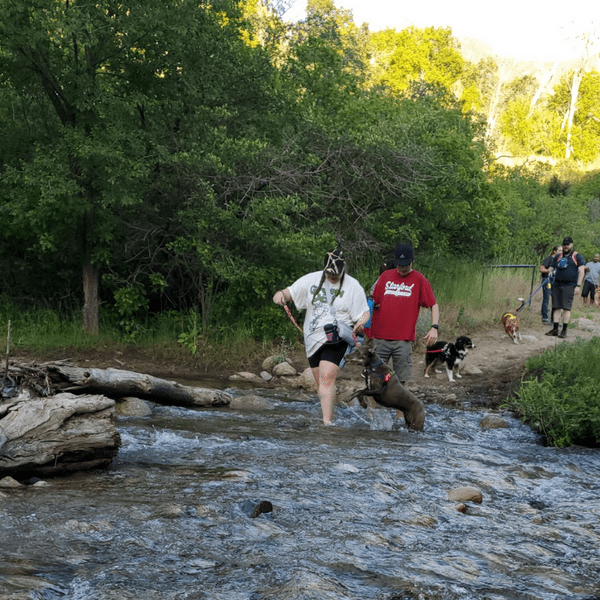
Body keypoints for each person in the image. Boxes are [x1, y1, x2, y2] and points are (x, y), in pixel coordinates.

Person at [272, 249, 370, 425]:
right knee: (321, 384)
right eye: (330, 274)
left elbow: (365, 313)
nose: (333, 277)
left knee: (326, 376)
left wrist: (360, 323)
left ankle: (327, 424)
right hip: (313, 339)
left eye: (337, 274)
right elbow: (290, 292)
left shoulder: (353, 285)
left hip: (337, 337)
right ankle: (331, 413)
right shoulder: (311, 279)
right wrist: (280, 295)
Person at [368, 243, 439, 384]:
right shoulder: (385, 276)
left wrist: (434, 327)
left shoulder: (419, 280)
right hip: (380, 337)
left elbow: (433, 304)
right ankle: (373, 407)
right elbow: (372, 301)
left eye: (406, 265)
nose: (403, 269)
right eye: (400, 265)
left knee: (401, 383)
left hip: (403, 340)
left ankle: (398, 406)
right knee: (374, 380)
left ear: (412, 262)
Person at [546, 236, 586, 338]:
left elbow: (582, 271)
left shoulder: (577, 256)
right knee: (556, 307)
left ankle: (564, 331)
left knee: (566, 308)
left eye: (568, 244)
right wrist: (550, 271)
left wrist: (578, 286)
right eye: (564, 244)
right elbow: (551, 266)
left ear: (572, 245)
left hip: (569, 285)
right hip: (557, 284)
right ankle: (555, 329)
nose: (566, 246)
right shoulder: (558, 256)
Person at [540, 245, 561, 324]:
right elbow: (541, 269)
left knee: (556, 299)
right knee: (546, 298)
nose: (561, 252)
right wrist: (549, 271)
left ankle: (554, 319)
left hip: (556, 281)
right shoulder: (549, 259)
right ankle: (545, 317)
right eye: (560, 250)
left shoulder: (561, 260)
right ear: (555, 251)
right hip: (547, 280)